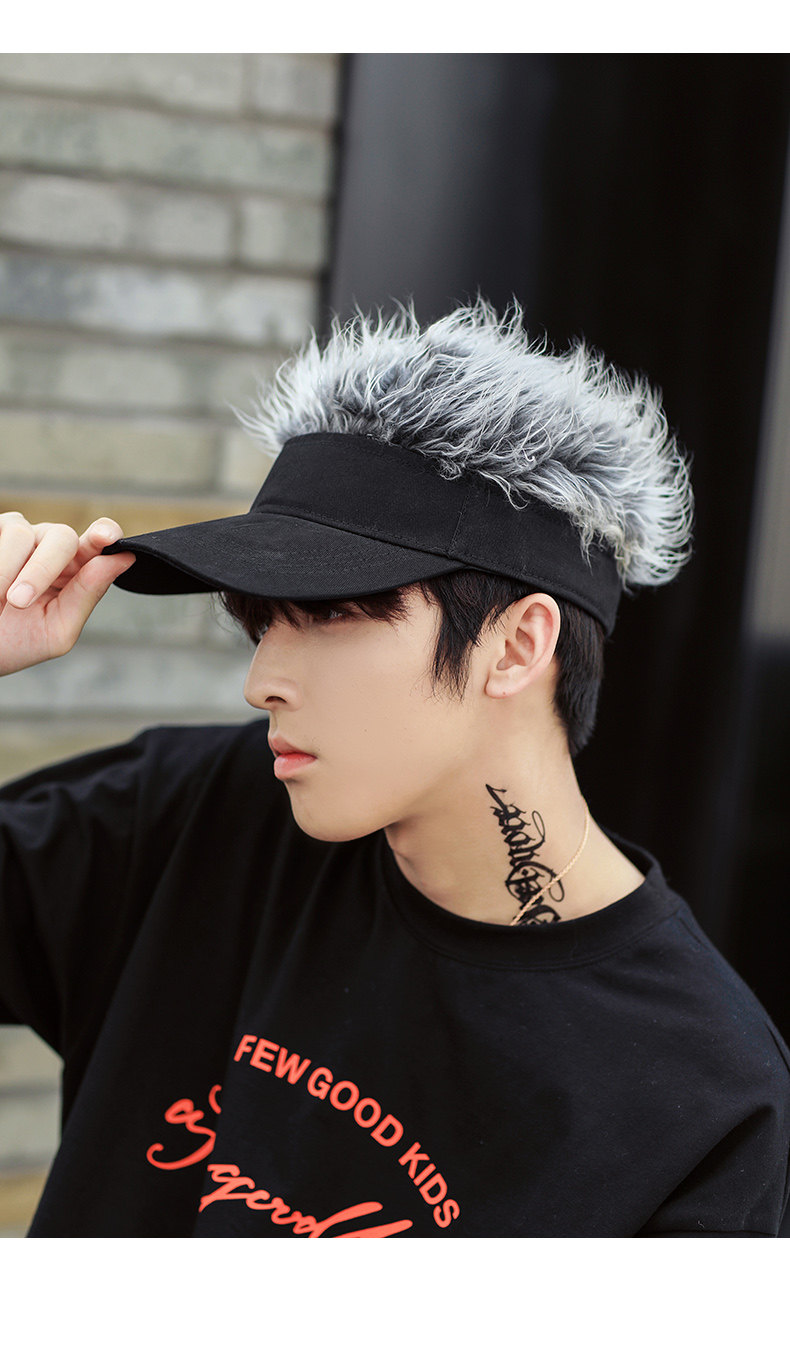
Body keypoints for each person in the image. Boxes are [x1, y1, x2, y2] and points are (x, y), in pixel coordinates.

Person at [1, 297, 788, 1237]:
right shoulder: (193, 817)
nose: (261, 682)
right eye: (263, 621)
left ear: (517, 646)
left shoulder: (704, 1097)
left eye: (331, 612)